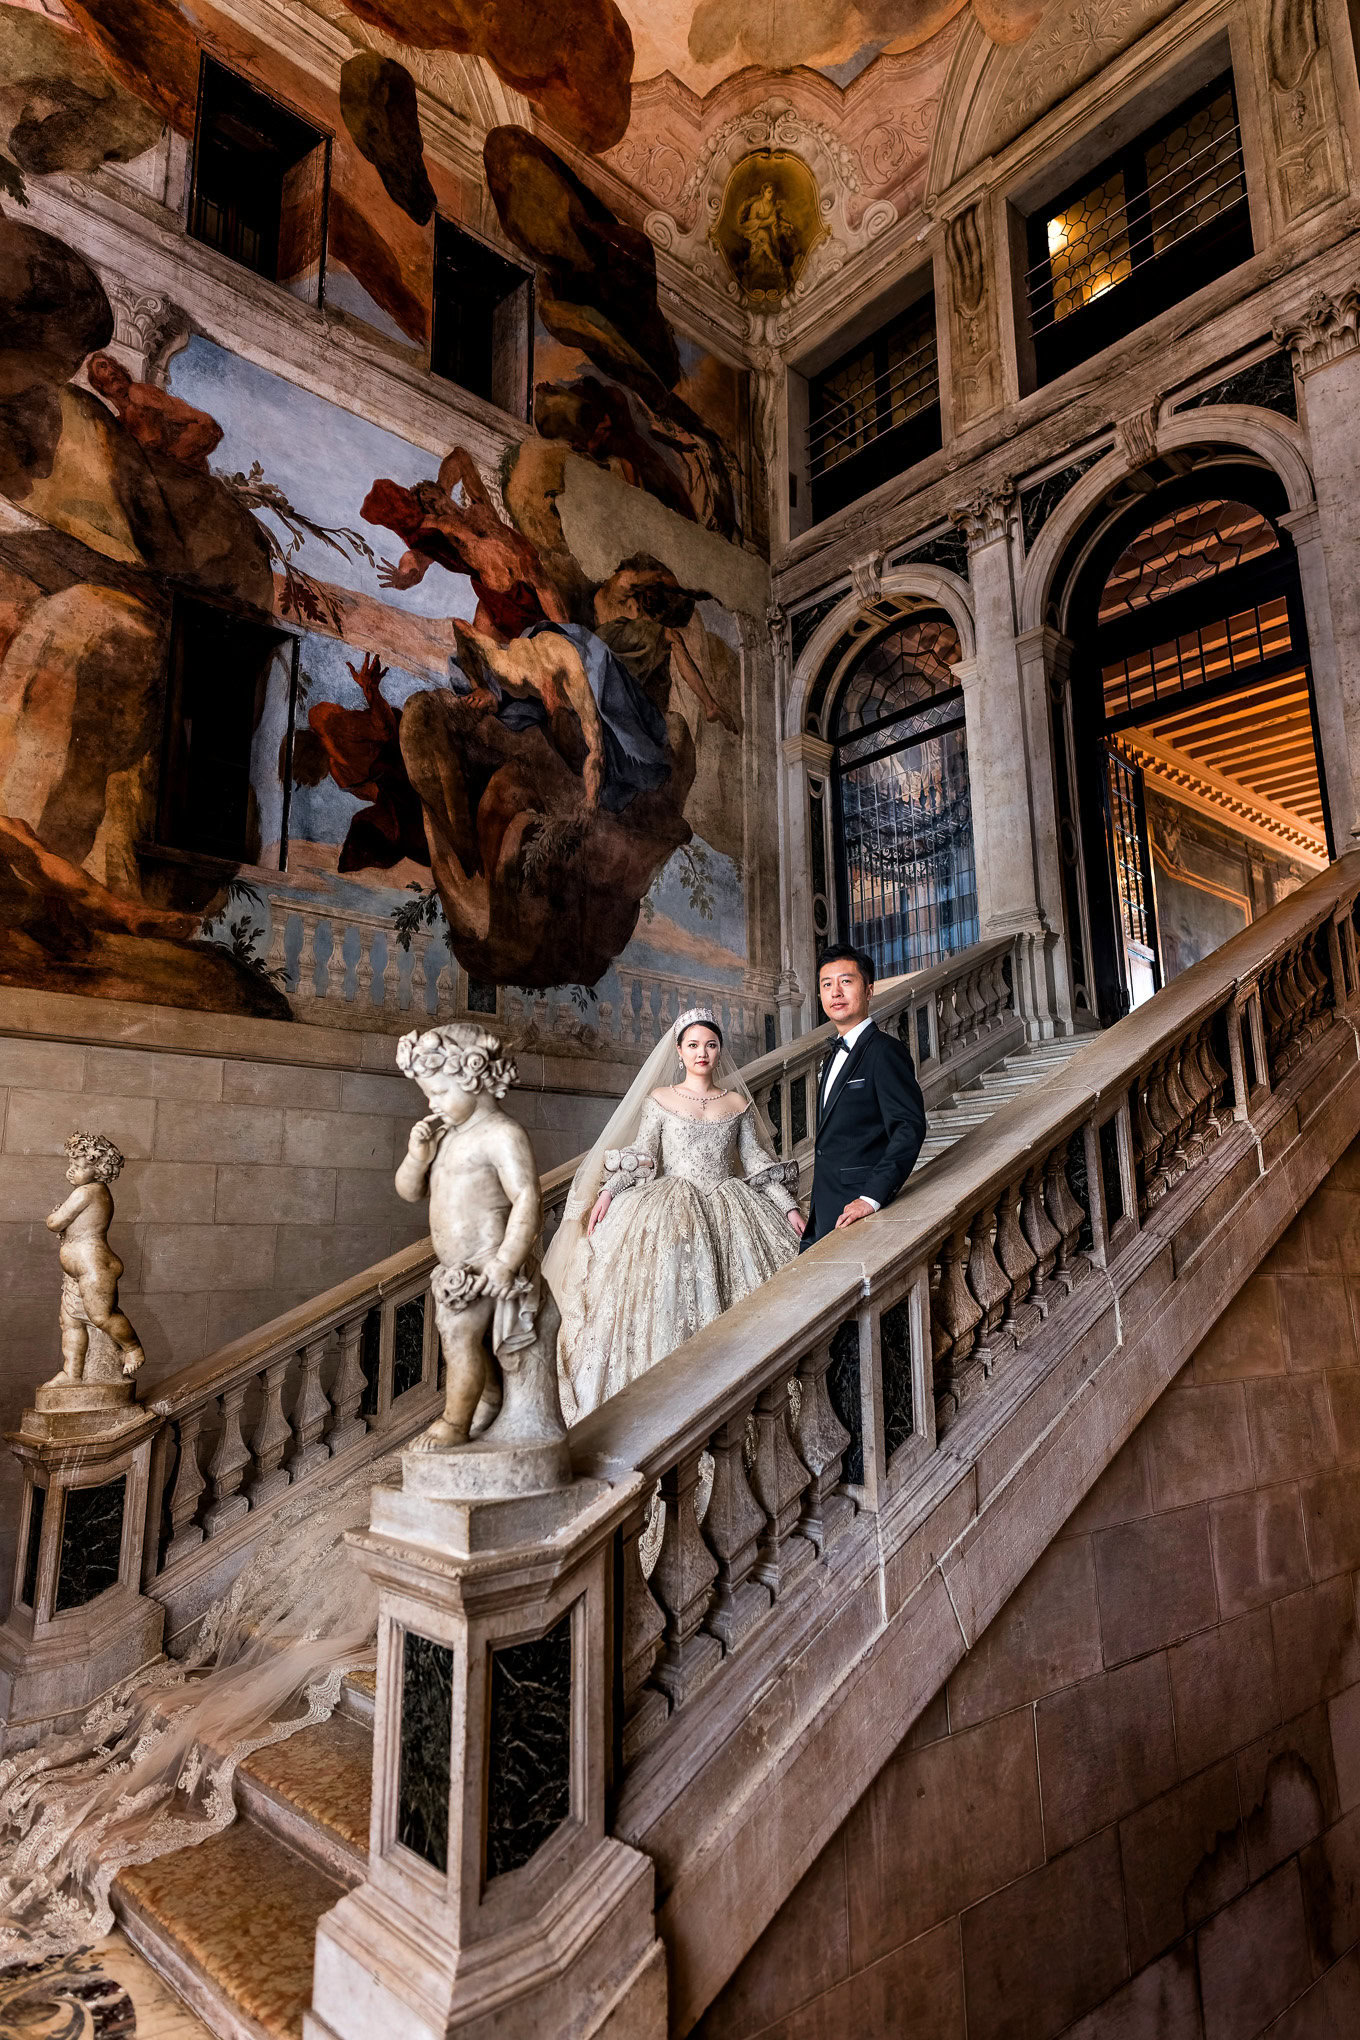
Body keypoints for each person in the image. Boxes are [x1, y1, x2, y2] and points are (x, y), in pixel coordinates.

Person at [545, 1007, 805, 1420]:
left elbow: (755, 1160)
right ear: (679, 1052)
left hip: (729, 1203)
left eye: (711, 1045)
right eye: (693, 1045)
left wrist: (787, 1205)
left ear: (720, 1051)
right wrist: (610, 1191)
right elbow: (646, 1153)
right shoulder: (661, 1099)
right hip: (671, 1210)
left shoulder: (737, 1102)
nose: (702, 1053)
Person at [800, 943, 927, 1251]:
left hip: (859, 1212)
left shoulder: (885, 1052)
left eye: (846, 981)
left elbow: (909, 1128)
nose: (835, 992)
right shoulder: (832, 1056)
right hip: (826, 1211)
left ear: (869, 990)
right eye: (827, 984)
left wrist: (871, 1198)